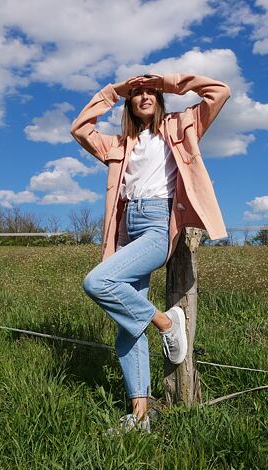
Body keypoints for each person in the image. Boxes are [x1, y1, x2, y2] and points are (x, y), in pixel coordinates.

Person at [70, 73, 230, 432]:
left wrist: (168, 81)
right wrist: (114, 91)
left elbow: (219, 91)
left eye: (149, 92)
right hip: (127, 225)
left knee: (97, 282)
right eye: (136, 93)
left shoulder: (181, 125)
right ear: (128, 102)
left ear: (159, 97)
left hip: (159, 223)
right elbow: (80, 127)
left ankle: (165, 322)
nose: (142, 96)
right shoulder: (120, 144)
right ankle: (140, 416)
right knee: (127, 328)